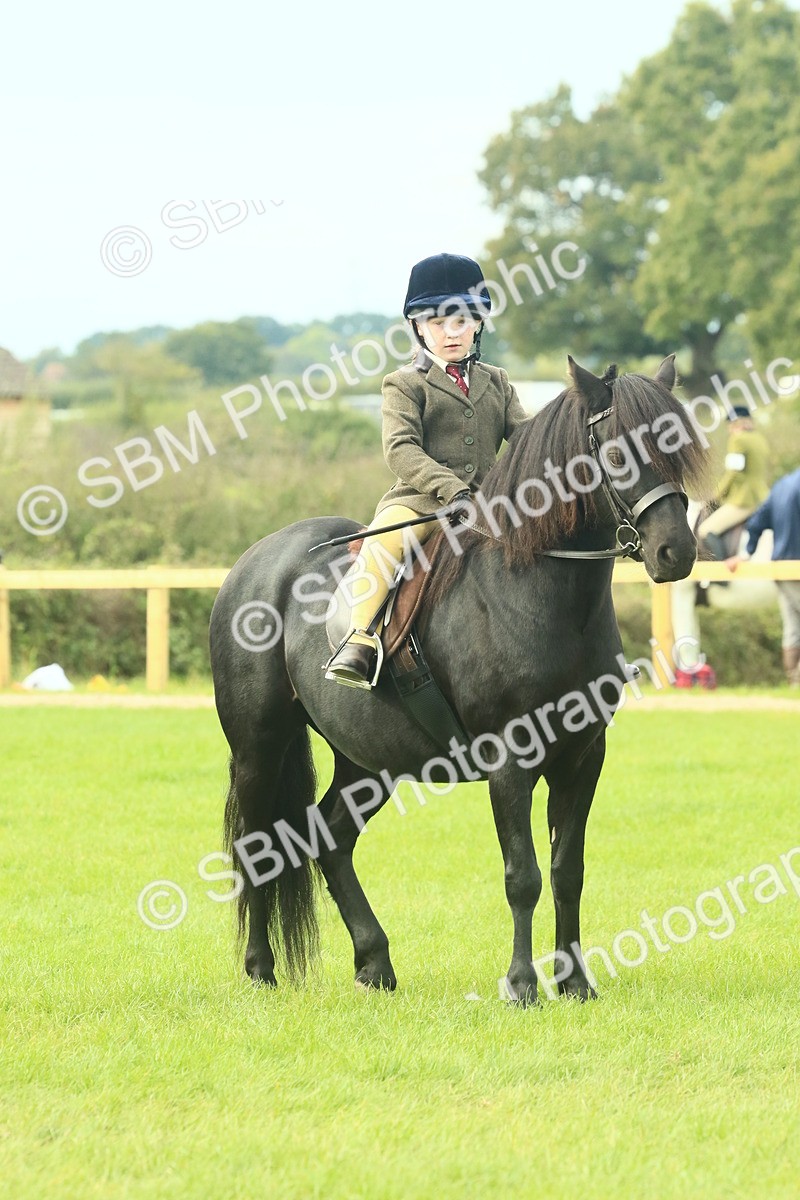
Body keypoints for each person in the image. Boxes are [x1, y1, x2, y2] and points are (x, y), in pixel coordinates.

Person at [324, 252, 528, 688]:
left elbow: (525, 437)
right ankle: (358, 640)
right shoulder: (404, 383)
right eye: (438, 323)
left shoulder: (498, 380)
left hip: (490, 504)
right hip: (420, 502)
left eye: (461, 322)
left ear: (478, 323)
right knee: (385, 547)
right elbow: (400, 449)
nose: (450, 333)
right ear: (418, 326)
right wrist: (452, 490)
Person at [727, 467, 800, 686]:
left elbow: (757, 521)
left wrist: (747, 552)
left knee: (793, 629)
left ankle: (794, 683)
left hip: (779, 568)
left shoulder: (781, 485)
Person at [697, 405, 770, 560]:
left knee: (705, 530)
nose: (730, 430)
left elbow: (733, 472)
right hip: (763, 496)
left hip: (744, 500)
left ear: (736, 423)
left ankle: (722, 574)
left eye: (730, 426)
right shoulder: (759, 439)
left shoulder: (738, 439)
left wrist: (717, 495)